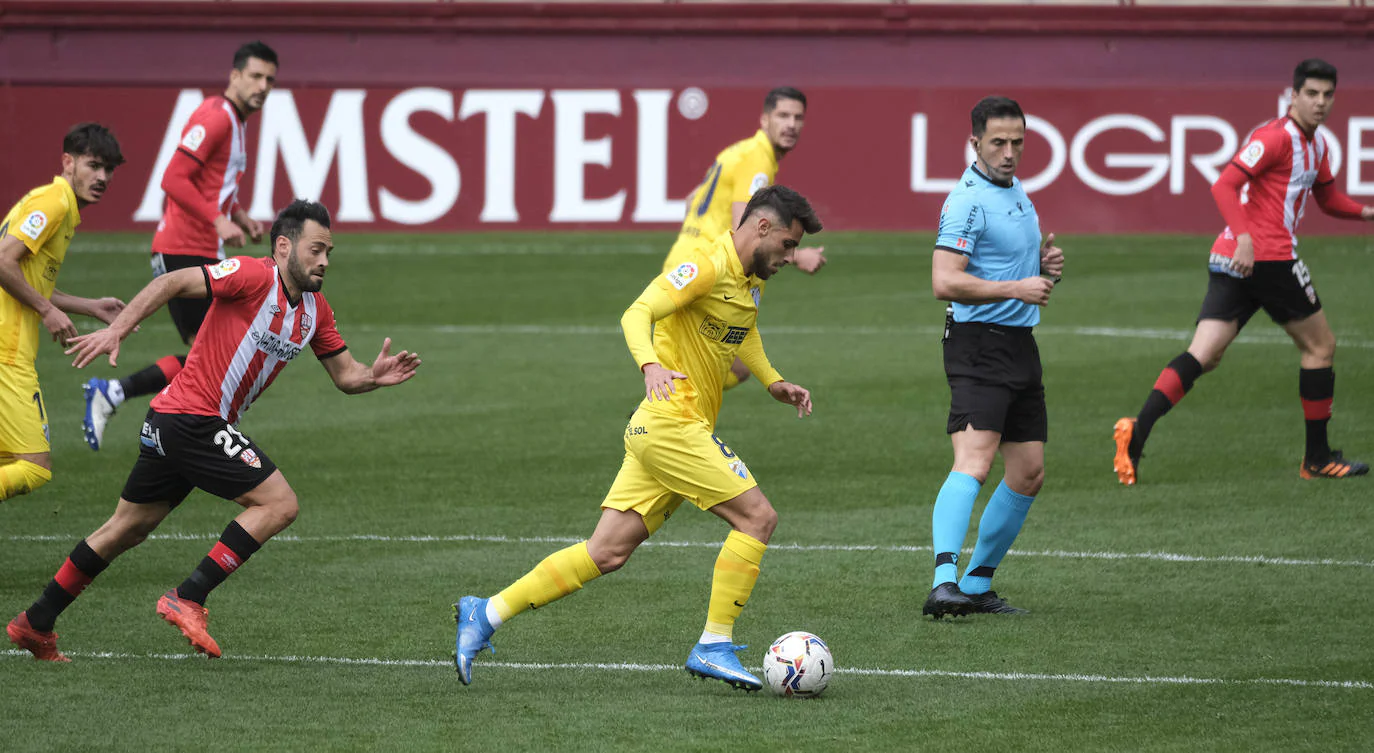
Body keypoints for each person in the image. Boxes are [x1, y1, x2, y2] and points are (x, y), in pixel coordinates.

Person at [6, 200, 421, 662]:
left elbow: (346, 375)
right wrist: (118, 329)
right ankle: (189, 596)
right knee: (279, 503)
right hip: (192, 420)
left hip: (176, 421)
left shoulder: (316, 312)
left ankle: (35, 622)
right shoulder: (251, 275)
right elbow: (172, 281)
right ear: (284, 246)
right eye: (316, 249)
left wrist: (374, 376)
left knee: (126, 528)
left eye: (329, 252)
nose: (324, 260)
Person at [453, 185, 821, 690]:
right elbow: (637, 313)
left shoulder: (749, 279)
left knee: (605, 552)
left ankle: (486, 612)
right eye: (787, 244)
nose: (790, 257)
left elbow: (744, 330)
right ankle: (713, 643)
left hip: (668, 430)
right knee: (758, 518)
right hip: (672, 424)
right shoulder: (706, 266)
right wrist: (650, 364)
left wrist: (772, 380)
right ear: (762, 227)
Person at [1113, 59, 1373, 485]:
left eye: (1328, 95)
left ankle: (1137, 434)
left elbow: (1328, 200)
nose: (1320, 103)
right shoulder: (1275, 137)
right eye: (1312, 94)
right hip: (1267, 259)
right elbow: (1224, 185)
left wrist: (1366, 212)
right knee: (1321, 347)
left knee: (1204, 354)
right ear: (1294, 95)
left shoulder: (1317, 144)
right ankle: (1318, 458)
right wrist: (1247, 239)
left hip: (1234, 260)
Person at [82, 40, 279, 452]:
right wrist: (218, 219)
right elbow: (173, 178)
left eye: (270, 80)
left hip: (196, 247)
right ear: (235, 76)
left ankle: (122, 398)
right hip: (186, 248)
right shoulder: (217, 116)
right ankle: (151, 414)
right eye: (256, 76)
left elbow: (210, 184)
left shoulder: (235, 122)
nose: (263, 85)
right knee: (221, 351)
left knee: (208, 353)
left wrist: (237, 215)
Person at [924, 96, 1063, 619]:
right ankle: (943, 583)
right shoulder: (967, 200)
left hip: (1019, 344)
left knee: (1029, 471)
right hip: (977, 342)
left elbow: (1017, 271)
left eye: (1018, 143)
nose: (1009, 153)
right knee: (975, 461)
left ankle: (977, 583)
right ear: (975, 142)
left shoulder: (1016, 190)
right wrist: (1017, 287)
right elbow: (945, 280)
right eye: (998, 143)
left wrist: (1045, 266)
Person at [0, 123, 128, 503]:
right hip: (7, 353)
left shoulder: (58, 206)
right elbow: (4, 262)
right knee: (33, 466)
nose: (102, 177)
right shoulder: (53, 203)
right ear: (67, 162)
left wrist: (88, 306)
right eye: (93, 166)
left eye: (109, 170)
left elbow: (26, 276)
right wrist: (45, 310)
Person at [668, 87, 826, 390]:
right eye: (782, 115)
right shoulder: (758, 160)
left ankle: (662, 411)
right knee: (708, 369)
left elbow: (691, 200)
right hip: (707, 277)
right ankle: (659, 414)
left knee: (725, 367)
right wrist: (796, 255)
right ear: (764, 119)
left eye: (798, 117)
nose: (791, 124)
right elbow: (746, 225)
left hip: (688, 264)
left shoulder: (738, 151)